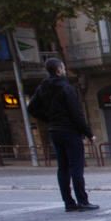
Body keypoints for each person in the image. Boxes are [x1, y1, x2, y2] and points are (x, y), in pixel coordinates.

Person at [27, 58, 98, 212]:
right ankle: (83, 201)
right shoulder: (66, 87)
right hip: (70, 131)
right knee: (76, 167)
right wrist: (88, 133)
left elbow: (31, 108)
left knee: (63, 168)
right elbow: (76, 113)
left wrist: (49, 119)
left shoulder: (42, 87)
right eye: (63, 68)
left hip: (54, 131)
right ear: (59, 70)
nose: (65, 70)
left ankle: (68, 202)